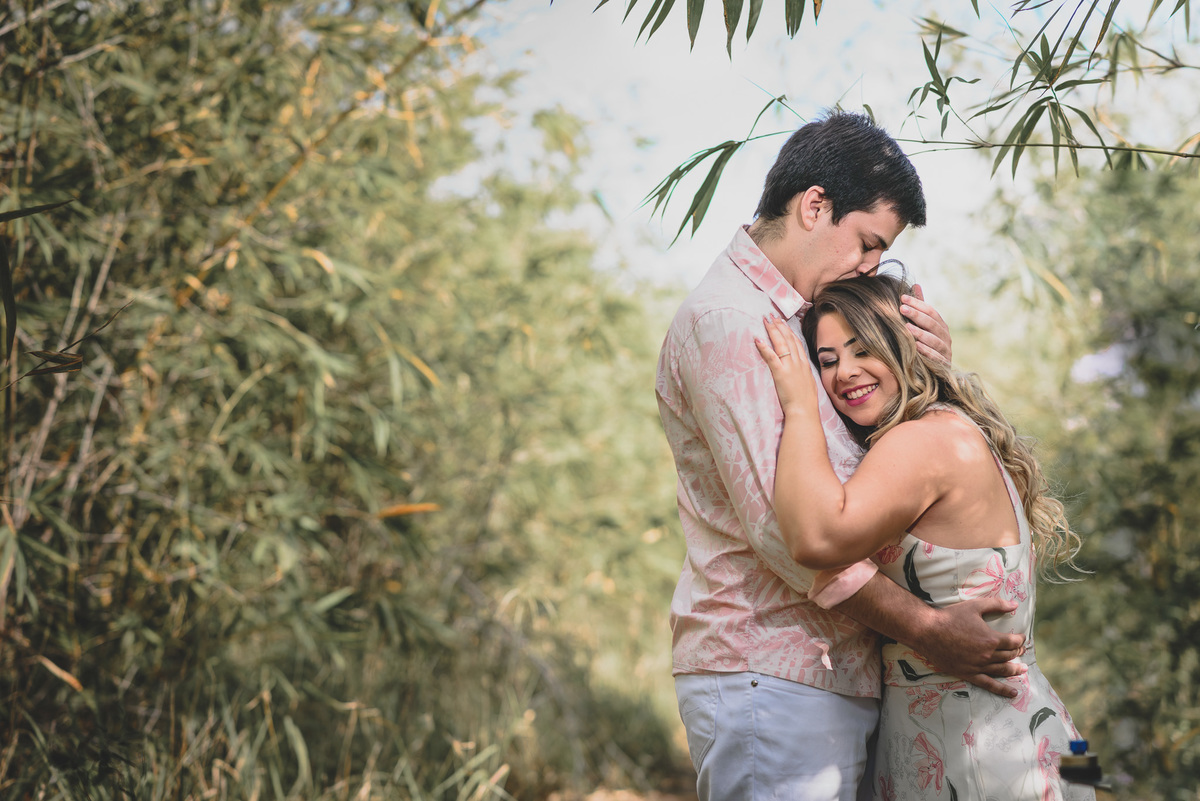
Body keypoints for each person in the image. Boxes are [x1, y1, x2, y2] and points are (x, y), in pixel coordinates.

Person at [656, 109, 1026, 801]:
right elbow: (791, 535)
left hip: (829, 675)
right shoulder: (735, 323)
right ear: (814, 205)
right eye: (866, 243)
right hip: (770, 669)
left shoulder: (800, 317)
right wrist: (929, 628)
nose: (870, 265)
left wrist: (930, 370)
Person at [755, 273, 1094, 800]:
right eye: (825, 361)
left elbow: (816, 541)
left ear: (902, 346)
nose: (844, 372)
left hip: (982, 755)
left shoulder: (922, 442)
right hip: (1005, 735)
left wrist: (799, 404)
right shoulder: (945, 427)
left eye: (863, 348)